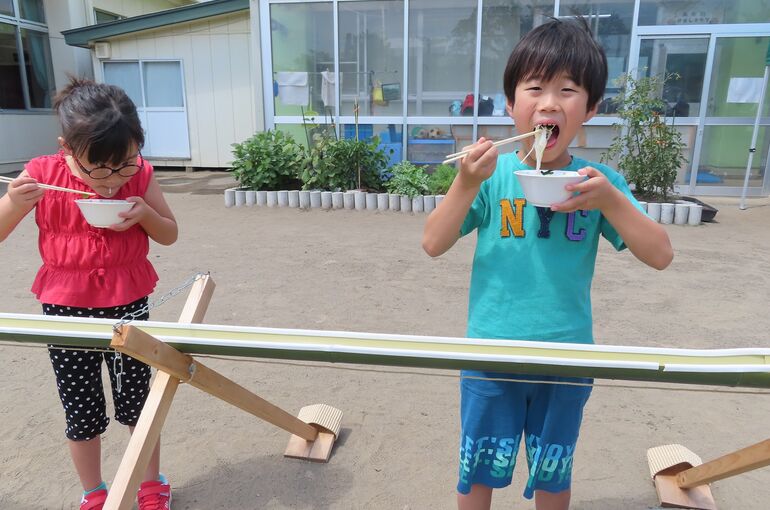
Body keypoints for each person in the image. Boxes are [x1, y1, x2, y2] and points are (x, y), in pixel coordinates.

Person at [422, 18, 673, 510]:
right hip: (491, 355)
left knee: (553, 474)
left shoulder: (598, 182)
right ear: (512, 104)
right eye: (534, 88)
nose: (549, 102)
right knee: (477, 472)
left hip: (567, 359)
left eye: (568, 90)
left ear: (592, 107)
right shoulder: (493, 176)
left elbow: (661, 255)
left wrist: (610, 203)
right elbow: (433, 243)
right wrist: (467, 182)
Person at [0, 77, 178, 510]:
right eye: (98, 168)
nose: (113, 180)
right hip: (64, 308)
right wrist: (14, 202)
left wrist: (144, 215)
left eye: (125, 164)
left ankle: (149, 484)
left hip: (128, 302)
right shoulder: (42, 175)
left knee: (139, 405)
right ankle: (94, 492)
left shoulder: (141, 176)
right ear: (66, 147)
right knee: (81, 411)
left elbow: (170, 234)